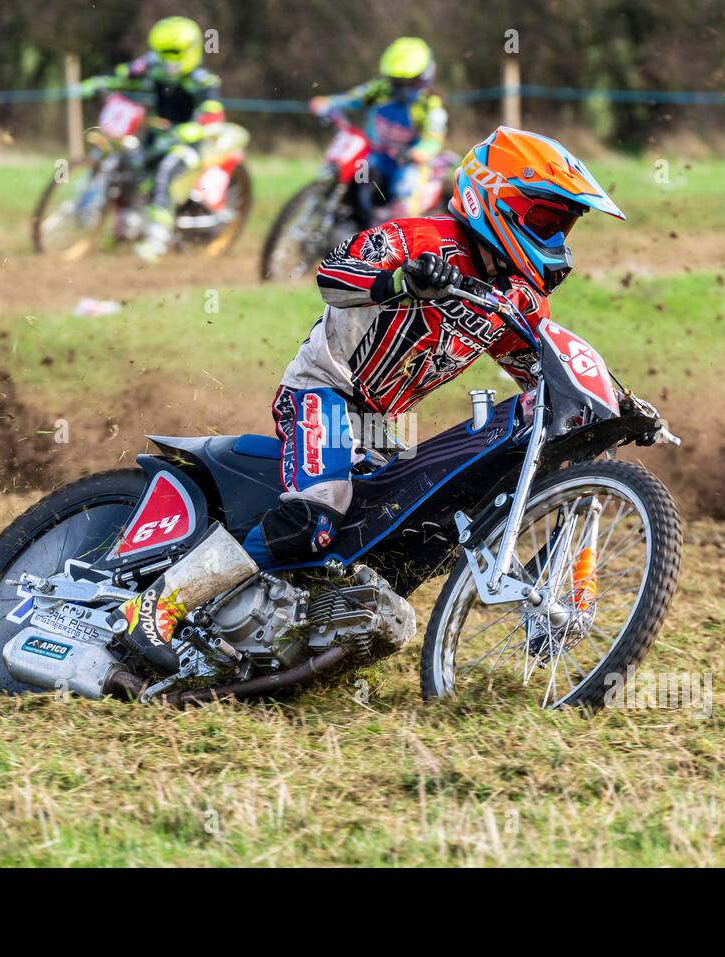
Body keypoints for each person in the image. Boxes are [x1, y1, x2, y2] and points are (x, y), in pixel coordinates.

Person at [117, 127, 627, 667]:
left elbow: (538, 373)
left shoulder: (518, 298)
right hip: (323, 391)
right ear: (494, 195)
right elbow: (332, 274)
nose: (554, 236)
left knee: (385, 543)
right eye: (546, 220)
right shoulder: (420, 238)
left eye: (563, 225)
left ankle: (283, 634)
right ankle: (157, 606)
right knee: (313, 520)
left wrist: (604, 405)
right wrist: (403, 281)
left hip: (385, 426)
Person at [81, 15, 223, 261]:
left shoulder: (202, 80)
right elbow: (123, 75)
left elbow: (213, 111)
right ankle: (127, 225)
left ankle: (156, 239)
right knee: (129, 167)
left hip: (187, 144)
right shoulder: (152, 65)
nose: (167, 58)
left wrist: (195, 128)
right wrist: (97, 83)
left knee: (165, 174)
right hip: (156, 138)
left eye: (174, 52)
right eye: (162, 51)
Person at [308, 37, 448, 221]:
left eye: (407, 82)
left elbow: (433, 138)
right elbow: (353, 98)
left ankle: (399, 238)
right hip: (374, 157)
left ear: (423, 76)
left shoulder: (429, 106)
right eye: (396, 81)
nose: (400, 88)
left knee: (405, 195)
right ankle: (346, 218)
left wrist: (420, 152)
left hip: (406, 163)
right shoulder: (381, 90)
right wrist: (329, 103)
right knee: (354, 179)